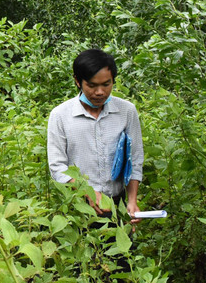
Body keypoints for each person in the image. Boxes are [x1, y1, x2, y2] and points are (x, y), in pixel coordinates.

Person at [46, 49, 144, 223]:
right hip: (78, 208)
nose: (100, 92)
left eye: (106, 84)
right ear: (78, 81)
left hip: (117, 204)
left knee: (122, 240)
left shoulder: (127, 111)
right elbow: (57, 167)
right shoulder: (60, 115)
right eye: (92, 86)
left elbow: (134, 159)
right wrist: (87, 191)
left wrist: (132, 201)